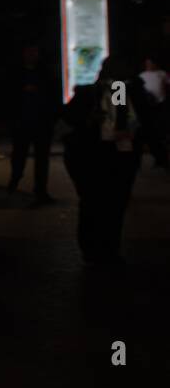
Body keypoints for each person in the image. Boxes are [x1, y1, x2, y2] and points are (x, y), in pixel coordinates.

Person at [61, 56, 147, 265]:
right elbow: (122, 122)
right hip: (106, 156)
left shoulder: (115, 89)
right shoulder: (114, 90)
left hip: (108, 156)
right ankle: (101, 249)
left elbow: (123, 121)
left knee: (102, 205)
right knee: (105, 205)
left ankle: (98, 249)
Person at [4, 43, 59, 206]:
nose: (31, 55)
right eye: (29, 51)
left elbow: (52, 95)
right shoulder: (16, 72)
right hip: (22, 122)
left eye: (34, 51)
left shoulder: (45, 72)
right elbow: (9, 95)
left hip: (41, 122)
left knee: (41, 159)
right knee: (19, 156)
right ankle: (15, 180)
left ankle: (40, 190)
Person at [137, 56, 167, 168]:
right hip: (147, 106)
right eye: (147, 63)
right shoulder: (141, 76)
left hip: (160, 104)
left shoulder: (162, 73)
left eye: (150, 63)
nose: (148, 65)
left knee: (157, 130)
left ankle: (160, 158)